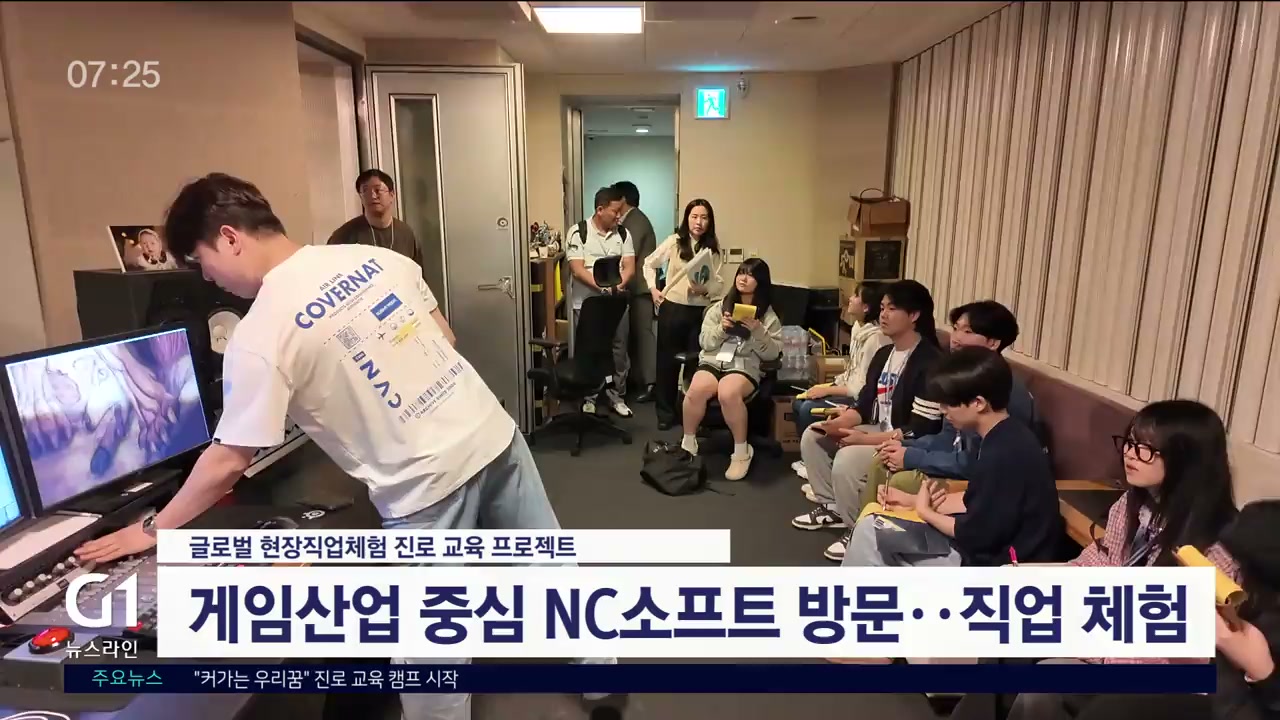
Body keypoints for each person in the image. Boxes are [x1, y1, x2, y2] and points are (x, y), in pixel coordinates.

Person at [74, 173, 614, 720]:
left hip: (426, 486)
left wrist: (154, 529)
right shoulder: (377, 260)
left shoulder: (260, 333)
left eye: (202, 261)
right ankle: (603, 675)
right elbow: (443, 339)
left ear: (230, 238)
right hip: (492, 432)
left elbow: (229, 460)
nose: (209, 279)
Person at [997, 399, 1241, 720]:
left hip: (1158, 677)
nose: (1130, 454)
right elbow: (1096, 564)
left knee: (1041, 682)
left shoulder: (1216, 547)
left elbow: (1174, 648)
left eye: (1146, 449)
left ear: (1186, 459)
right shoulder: (1132, 505)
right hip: (1111, 646)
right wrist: (1023, 575)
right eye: (1130, 442)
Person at [839, 346, 1062, 569]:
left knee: (870, 533)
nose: (943, 410)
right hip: (985, 549)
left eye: (950, 404)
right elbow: (980, 502)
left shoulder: (1002, 453)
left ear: (978, 403)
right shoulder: (1006, 435)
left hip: (993, 565)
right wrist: (912, 501)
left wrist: (924, 512)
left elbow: (975, 535)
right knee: (874, 528)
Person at [790, 279, 945, 562]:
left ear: (914, 315)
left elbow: (921, 428)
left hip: (905, 440)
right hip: (877, 428)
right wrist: (839, 424)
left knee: (848, 458)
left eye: (892, 309)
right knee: (814, 435)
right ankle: (832, 508)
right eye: (882, 308)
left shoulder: (930, 361)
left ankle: (855, 529)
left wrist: (864, 439)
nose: (883, 314)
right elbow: (863, 406)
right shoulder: (884, 354)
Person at [855, 299, 1037, 513]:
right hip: (957, 465)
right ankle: (868, 525)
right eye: (955, 329)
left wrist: (912, 457)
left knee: (902, 481)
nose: (956, 339)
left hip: (978, 483)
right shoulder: (963, 379)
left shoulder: (1004, 391)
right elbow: (948, 438)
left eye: (967, 332)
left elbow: (977, 463)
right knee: (882, 460)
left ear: (993, 343)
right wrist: (906, 447)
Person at [680, 257, 781, 481]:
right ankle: (688, 443)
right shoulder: (719, 308)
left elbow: (773, 354)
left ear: (761, 281)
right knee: (696, 390)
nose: (743, 278)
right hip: (714, 360)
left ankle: (741, 451)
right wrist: (721, 329)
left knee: (727, 392)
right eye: (741, 273)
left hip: (743, 365)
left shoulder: (768, 316)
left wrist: (758, 332)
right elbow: (705, 342)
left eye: (750, 275)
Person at [792, 283, 890, 484]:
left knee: (808, 408)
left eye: (855, 296)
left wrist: (828, 390)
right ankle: (810, 459)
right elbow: (851, 371)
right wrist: (828, 386)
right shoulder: (858, 329)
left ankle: (817, 465)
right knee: (798, 402)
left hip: (857, 397)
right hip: (847, 387)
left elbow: (861, 387)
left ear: (866, 307)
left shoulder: (876, 339)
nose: (850, 299)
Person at [643, 199, 724, 430]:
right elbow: (649, 264)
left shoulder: (713, 249)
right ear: (687, 218)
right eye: (694, 216)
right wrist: (653, 290)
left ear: (710, 221)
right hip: (673, 308)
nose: (699, 222)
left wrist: (705, 290)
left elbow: (717, 283)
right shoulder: (675, 242)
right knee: (667, 363)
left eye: (704, 217)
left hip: (700, 312)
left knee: (695, 363)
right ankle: (665, 414)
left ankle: (690, 413)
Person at [566, 185, 635, 418]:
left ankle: (617, 396)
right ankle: (590, 397)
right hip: (587, 304)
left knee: (618, 350)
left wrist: (617, 287)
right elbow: (577, 269)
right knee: (590, 351)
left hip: (616, 303)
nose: (619, 216)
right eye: (615, 211)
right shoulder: (578, 232)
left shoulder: (623, 234)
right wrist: (601, 287)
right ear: (600, 209)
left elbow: (629, 266)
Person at [614, 181, 659, 404]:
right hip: (633, 288)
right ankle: (638, 381)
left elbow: (626, 254)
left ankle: (652, 384)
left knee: (643, 336)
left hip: (640, 289)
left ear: (623, 199)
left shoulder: (635, 221)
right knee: (631, 337)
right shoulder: (631, 220)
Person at [327, 169, 423, 266]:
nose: (373, 196)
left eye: (378, 190)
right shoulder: (344, 235)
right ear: (360, 197)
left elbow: (417, 272)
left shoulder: (406, 234)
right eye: (365, 191)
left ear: (392, 195)